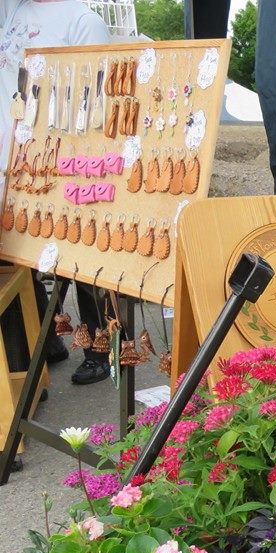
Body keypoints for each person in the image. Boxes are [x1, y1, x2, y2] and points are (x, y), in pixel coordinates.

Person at [0, 0, 113, 384]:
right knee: (24, 254)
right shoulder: (12, 10)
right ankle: (47, 338)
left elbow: (96, 104)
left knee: (82, 256)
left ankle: (101, 347)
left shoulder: (82, 21)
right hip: (16, 161)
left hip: (67, 162)